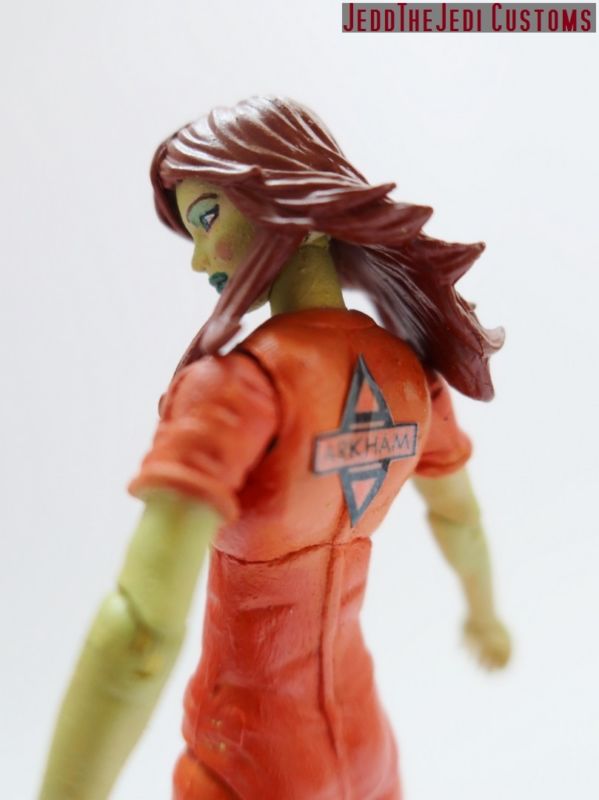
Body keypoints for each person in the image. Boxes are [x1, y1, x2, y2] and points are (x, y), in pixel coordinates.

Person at [39, 96, 511, 800]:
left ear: (289, 197)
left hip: (243, 762)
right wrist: (484, 613)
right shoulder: (412, 375)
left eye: (208, 218)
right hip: (367, 750)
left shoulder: (236, 389)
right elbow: (458, 517)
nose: (199, 258)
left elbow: (137, 635)